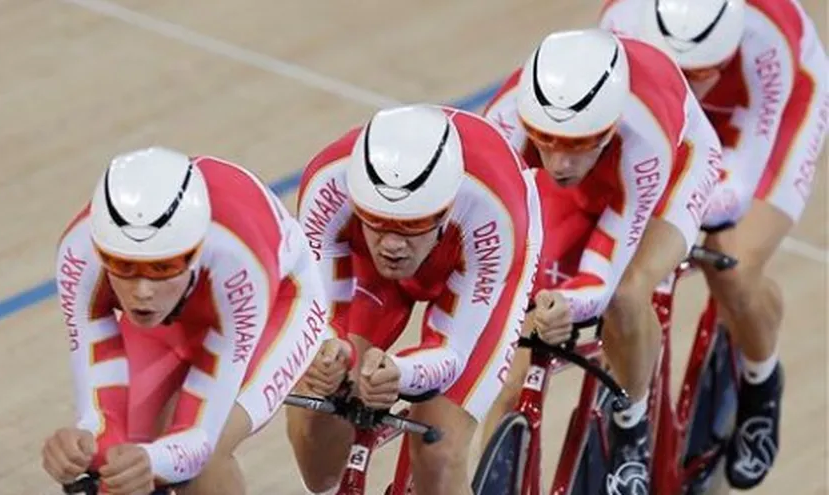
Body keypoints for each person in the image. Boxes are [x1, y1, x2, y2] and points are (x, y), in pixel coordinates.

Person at [481, 29, 724, 494]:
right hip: (591, 187)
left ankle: (631, 423)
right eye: (545, 141)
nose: (557, 163)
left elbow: (605, 271)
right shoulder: (507, 118)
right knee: (515, 351)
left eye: (577, 143)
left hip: (670, 174)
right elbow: (493, 245)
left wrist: (568, 306)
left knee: (628, 294)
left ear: (609, 127)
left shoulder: (645, 132)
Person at [599, 0, 828, 488]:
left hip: (760, 119)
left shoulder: (767, 40)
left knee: (734, 266)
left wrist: (673, 220)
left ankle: (761, 383)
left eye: (697, 72)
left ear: (724, 56)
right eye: (673, 67)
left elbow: (735, 188)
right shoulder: (623, 24)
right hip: (659, 118)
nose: (684, 83)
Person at [42, 147, 332, 495]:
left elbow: (199, 440)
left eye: (162, 268)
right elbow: (101, 421)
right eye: (124, 268)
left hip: (278, 301)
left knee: (210, 456)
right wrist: (81, 445)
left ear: (195, 252)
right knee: (117, 464)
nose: (142, 292)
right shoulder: (79, 253)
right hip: (175, 318)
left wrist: (154, 462)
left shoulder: (237, 262)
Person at [285, 104, 543, 495]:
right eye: (376, 220)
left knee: (438, 450)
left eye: (412, 225)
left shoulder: (491, 211)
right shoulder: (328, 183)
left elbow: (451, 352)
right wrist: (327, 349)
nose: (391, 244)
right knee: (313, 415)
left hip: (471, 262)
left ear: (444, 211)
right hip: (367, 271)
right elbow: (318, 314)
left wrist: (399, 374)